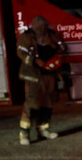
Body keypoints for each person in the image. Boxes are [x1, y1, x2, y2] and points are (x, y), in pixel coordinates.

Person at [17, 15, 65, 145]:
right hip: (33, 76)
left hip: (49, 74)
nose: (43, 29)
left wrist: (52, 44)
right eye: (40, 26)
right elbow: (21, 53)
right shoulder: (27, 36)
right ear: (35, 26)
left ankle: (43, 129)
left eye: (45, 26)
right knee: (32, 102)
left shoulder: (51, 35)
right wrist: (34, 61)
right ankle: (24, 133)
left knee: (48, 102)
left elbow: (62, 48)